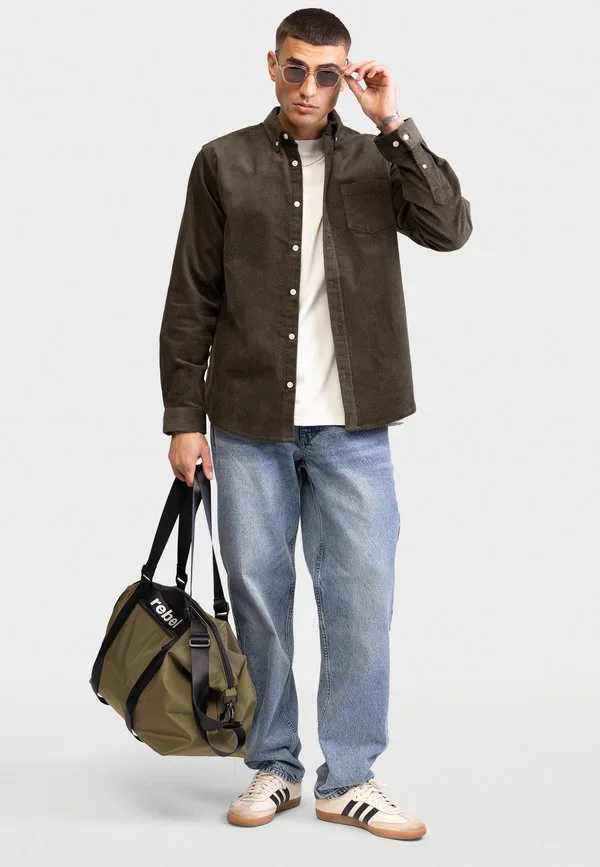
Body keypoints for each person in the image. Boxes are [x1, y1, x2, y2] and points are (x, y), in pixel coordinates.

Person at [159, 8, 472, 841]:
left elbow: (450, 228)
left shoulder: (376, 159)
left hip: (354, 429)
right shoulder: (222, 161)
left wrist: (393, 122)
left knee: (362, 602)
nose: (308, 87)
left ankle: (351, 777)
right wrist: (184, 418)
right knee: (261, 602)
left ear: (345, 77)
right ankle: (275, 763)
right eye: (295, 68)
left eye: (326, 73)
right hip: (248, 423)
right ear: (272, 65)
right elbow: (192, 297)